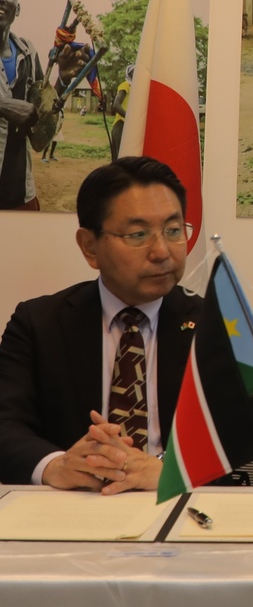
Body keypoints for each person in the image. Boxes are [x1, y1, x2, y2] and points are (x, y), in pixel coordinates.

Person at [0, 156, 200, 493]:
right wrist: (56, 465)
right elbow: (4, 424)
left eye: (173, 230)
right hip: (71, 511)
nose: (162, 251)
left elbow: (237, 427)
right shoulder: (39, 324)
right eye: (138, 234)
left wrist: (168, 470)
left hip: (175, 505)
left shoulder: (212, 323)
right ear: (90, 246)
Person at [0, 0, 43, 210]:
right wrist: (3, 105)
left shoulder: (28, 52)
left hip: (20, 192)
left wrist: (63, 84)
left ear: (17, 9)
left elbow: (40, 116)